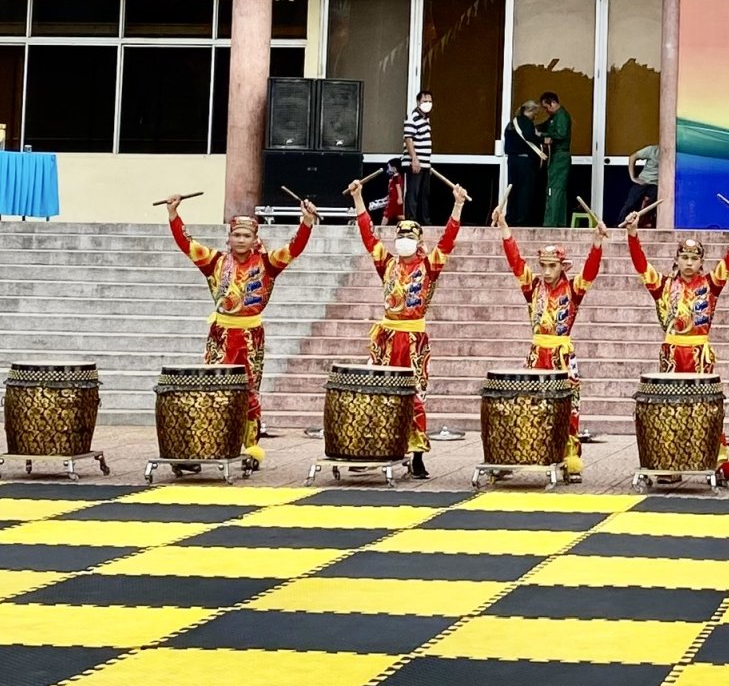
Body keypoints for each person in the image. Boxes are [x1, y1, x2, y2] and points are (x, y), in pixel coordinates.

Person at [164, 193, 317, 466]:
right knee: (212, 389)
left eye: (246, 236)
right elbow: (187, 244)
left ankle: (251, 449)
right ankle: (206, 445)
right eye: (237, 235)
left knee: (249, 391)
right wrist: (173, 215)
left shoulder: (267, 264)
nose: (241, 240)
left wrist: (306, 222)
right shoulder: (215, 262)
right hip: (221, 335)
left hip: (250, 337)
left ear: (255, 239)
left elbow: (294, 248)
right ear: (230, 237)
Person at [345, 177, 468, 479]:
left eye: (409, 237)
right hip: (386, 338)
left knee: (416, 395)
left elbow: (448, 240)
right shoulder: (386, 263)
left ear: (419, 241)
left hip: (413, 339)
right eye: (400, 236)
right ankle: (373, 448)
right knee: (376, 392)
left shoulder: (429, 266)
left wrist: (458, 205)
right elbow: (368, 235)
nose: (403, 241)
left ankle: (417, 456)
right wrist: (358, 199)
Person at [496, 203, 605, 480]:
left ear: (562, 267)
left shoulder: (573, 289)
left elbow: (590, 272)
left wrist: (596, 243)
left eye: (552, 266)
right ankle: (526, 453)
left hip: (562, 356)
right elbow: (515, 262)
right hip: (537, 354)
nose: (546, 271)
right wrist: (504, 228)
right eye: (543, 266)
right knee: (529, 405)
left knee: (569, 407)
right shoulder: (532, 287)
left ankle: (570, 458)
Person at [626, 203, 729, 372]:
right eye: (684, 257)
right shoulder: (663, 285)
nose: (689, 263)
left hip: (699, 355)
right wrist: (632, 233)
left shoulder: (711, 284)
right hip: (672, 354)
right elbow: (641, 266)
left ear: (701, 262)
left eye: (694, 258)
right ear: (676, 260)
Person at [504, 100, 544, 227]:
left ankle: (511, 218)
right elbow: (529, 137)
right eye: (535, 114)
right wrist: (541, 138)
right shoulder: (526, 123)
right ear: (530, 111)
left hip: (512, 160)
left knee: (513, 190)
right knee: (525, 191)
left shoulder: (512, 123)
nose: (535, 117)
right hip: (525, 162)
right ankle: (522, 220)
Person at [397, 90, 434, 226]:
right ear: (418, 102)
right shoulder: (412, 118)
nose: (427, 103)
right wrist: (414, 159)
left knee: (424, 194)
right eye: (425, 101)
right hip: (414, 163)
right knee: (413, 193)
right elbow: (408, 139)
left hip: (425, 164)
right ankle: (410, 221)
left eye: (430, 101)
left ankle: (425, 221)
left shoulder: (425, 120)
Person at [538, 92, 573, 227]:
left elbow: (560, 134)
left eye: (546, 107)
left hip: (559, 155)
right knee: (559, 190)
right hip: (557, 155)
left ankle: (551, 222)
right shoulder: (554, 117)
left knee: (554, 188)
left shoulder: (561, 116)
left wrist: (543, 135)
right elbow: (544, 125)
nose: (546, 111)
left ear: (553, 103)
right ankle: (559, 221)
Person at [617, 144, 660, 226]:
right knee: (630, 203)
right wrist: (633, 177)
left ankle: (643, 225)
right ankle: (620, 225)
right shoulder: (652, 150)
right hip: (643, 181)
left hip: (657, 184)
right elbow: (632, 157)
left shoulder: (674, 153)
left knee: (649, 206)